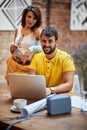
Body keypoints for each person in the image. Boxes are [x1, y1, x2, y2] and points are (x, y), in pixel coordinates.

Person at [29, 26, 75, 95]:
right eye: (44, 41)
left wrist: (51, 90)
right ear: (40, 41)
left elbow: (69, 84)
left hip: (63, 96)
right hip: (43, 96)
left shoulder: (66, 58)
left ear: (57, 42)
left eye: (50, 41)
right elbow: (30, 79)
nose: (46, 44)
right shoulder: (36, 57)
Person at [5, 5, 42, 83]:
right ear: (24, 16)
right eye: (29, 16)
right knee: (12, 92)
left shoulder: (37, 32)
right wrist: (12, 49)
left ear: (37, 20)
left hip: (28, 68)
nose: (31, 20)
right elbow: (15, 49)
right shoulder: (18, 29)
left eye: (34, 18)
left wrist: (32, 49)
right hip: (13, 65)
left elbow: (44, 48)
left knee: (25, 93)